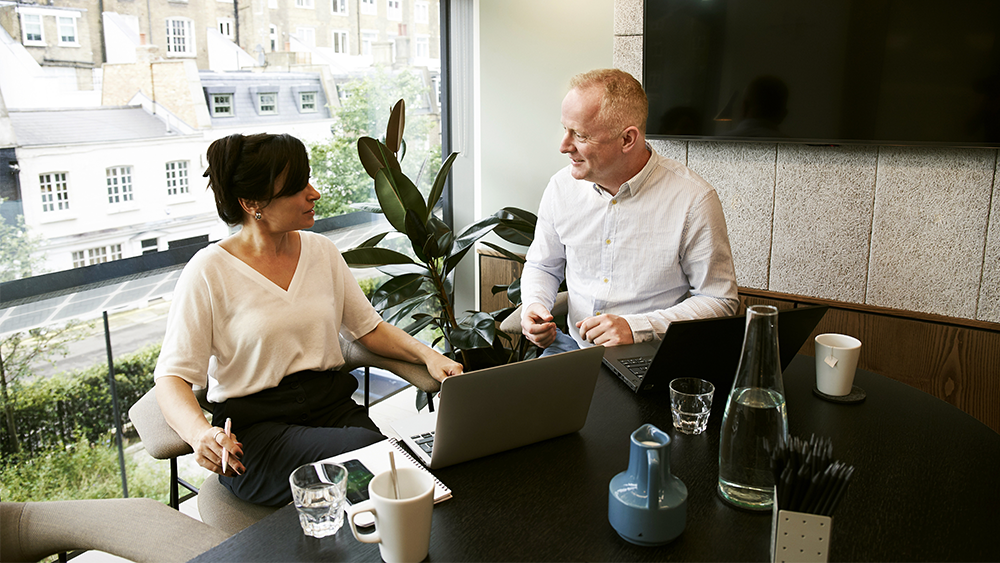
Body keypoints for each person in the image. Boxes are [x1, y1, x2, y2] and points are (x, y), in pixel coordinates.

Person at [153, 133, 462, 507]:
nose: (313, 193)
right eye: (298, 187)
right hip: (260, 436)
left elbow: (368, 329)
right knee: (380, 466)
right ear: (253, 203)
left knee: (406, 481)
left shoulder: (321, 252)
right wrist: (199, 432)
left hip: (334, 412)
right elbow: (172, 377)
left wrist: (429, 356)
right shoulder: (208, 270)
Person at [520, 69, 739, 354]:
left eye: (580, 135)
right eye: (565, 129)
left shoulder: (693, 199)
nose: (564, 146)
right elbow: (542, 265)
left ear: (627, 140)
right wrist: (535, 305)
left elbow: (719, 300)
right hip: (571, 349)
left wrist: (637, 327)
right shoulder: (560, 188)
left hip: (652, 355)